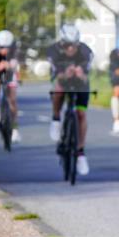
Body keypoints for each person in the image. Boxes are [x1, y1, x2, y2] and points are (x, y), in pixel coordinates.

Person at [47, 24, 94, 176]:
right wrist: (65, 74)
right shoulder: (53, 51)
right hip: (62, 80)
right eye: (67, 45)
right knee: (58, 90)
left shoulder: (86, 52)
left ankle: (80, 152)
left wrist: (81, 74)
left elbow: (87, 73)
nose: (71, 49)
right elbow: (56, 74)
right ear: (61, 43)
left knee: (81, 114)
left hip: (81, 84)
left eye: (74, 45)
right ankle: (56, 118)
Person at [0, 30, 21, 143]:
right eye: (2, 47)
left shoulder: (15, 51)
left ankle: (15, 128)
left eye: (7, 47)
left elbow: (16, 68)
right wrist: (0, 67)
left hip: (10, 74)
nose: (5, 50)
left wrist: (10, 67)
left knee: (12, 100)